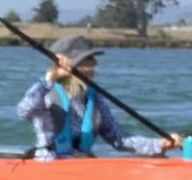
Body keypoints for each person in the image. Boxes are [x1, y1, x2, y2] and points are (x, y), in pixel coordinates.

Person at [16, 34, 179, 159]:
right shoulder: (46, 91)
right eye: (88, 58)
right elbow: (24, 112)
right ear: (71, 62)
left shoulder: (93, 99)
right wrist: (49, 79)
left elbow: (119, 139)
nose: (95, 63)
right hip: (50, 163)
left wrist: (159, 144)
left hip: (82, 164)